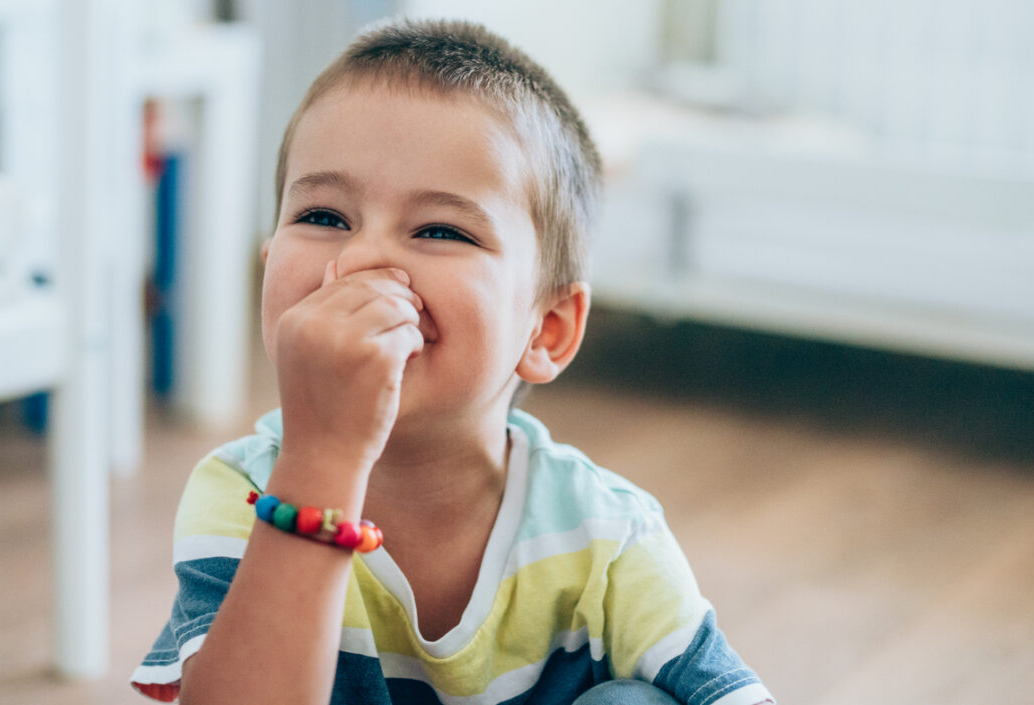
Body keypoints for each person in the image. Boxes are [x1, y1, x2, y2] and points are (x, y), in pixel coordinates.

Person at [131, 18, 773, 705]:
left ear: (546, 330)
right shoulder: (243, 491)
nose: (361, 260)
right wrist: (320, 457)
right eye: (323, 216)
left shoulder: (606, 534)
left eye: (440, 229)